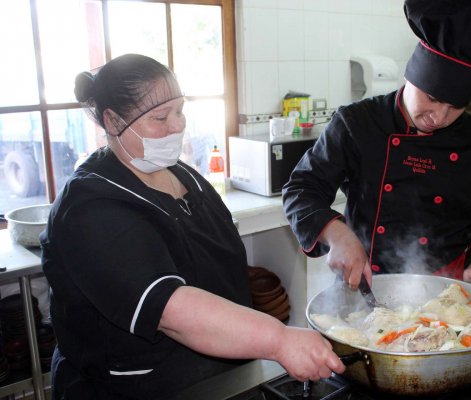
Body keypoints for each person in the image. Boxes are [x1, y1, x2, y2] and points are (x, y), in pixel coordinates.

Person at [40, 54, 344, 400]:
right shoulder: (90, 206)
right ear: (112, 121)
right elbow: (171, 309)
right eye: (159, 118)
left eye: (179, 111)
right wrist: (278, 339)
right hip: (134, 388)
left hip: (219, 376)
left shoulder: (182, 175)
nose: (176, 126)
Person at [282, 0, 471, 294]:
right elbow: (301, 189)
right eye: (432, 98)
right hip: (363, 286)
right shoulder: (357, 124)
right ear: (411, 76)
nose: (439, 117)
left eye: (455, 106)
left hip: (445, 298)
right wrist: (338, 235)